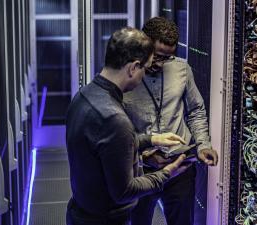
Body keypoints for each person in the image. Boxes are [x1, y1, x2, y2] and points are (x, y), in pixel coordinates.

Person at [66, 27, 190, 225]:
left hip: (81, 213)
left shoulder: (84, 96)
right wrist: (167, 173)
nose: (145, 76)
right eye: (145, 68)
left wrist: (151, 140)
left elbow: (102, 149)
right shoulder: (115, 118)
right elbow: (125, 191)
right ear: (133, 68)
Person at [123, 17, 219, 225]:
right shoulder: (125, 75)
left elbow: (195, 111)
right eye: (157, 56)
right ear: (143, 44)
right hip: (140, 171)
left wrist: (203, 145)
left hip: (180, 166)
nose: (160, 63)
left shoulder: (182, 70)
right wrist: (144, 154)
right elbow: (117, 128)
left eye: (168, 57)